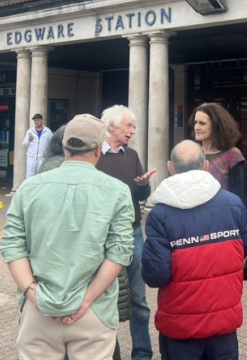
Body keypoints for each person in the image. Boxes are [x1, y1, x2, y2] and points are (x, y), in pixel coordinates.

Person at [0, 113, 134, 360]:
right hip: (94, 309)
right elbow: (120, 252)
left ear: (64, 146)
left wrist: (33, 294)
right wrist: (87, 299)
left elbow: (12, 246)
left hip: (39, 308)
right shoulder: (117, 191)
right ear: (98, 150)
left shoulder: (28, 188)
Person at [142, 140, 247, 360]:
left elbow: (156, 275)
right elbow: (245, 249)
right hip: (223, 321)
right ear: (205, 167)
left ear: (170, 167)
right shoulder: (234, 204)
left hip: (181, 325)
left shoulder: (159, 214)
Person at [96, 105, 157, 360]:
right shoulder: (94, 156)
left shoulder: (131, 155)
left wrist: (144, 186)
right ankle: (110, 353)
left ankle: (142, 354)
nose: (133, 131)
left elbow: (141, 196)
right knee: (103, 299)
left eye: (133, 126)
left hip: (133, 234)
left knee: (139, 301)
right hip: (103, 237)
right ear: (111, 126)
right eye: (128, 126)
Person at [192, 102, 246, 200]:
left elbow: (237, 195)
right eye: (195, 122)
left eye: (202, 123)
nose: (196, 127)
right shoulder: (192, 153)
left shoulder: (232, 154)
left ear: (216, 126)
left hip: (222, 211)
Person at [22, 113, 53, 179]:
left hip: (42, 158)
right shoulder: (30, 131)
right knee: (30, 177)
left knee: (42, 176)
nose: (36, 122)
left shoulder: (48, 132)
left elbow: (52, 144)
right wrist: (28, 140)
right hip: (31, 158)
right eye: (35, 120)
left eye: (38, 120)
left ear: (41, 120)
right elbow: (24, 144)